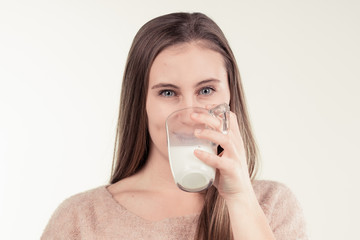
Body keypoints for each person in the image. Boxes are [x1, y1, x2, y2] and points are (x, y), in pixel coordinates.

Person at [41, 12, 307, 240]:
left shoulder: (270, 205)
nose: (190, 115)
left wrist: (240, 198)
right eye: (168, 93)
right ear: (140, 103)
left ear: (229, 97)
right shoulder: (81, 220)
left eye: (206, 90)